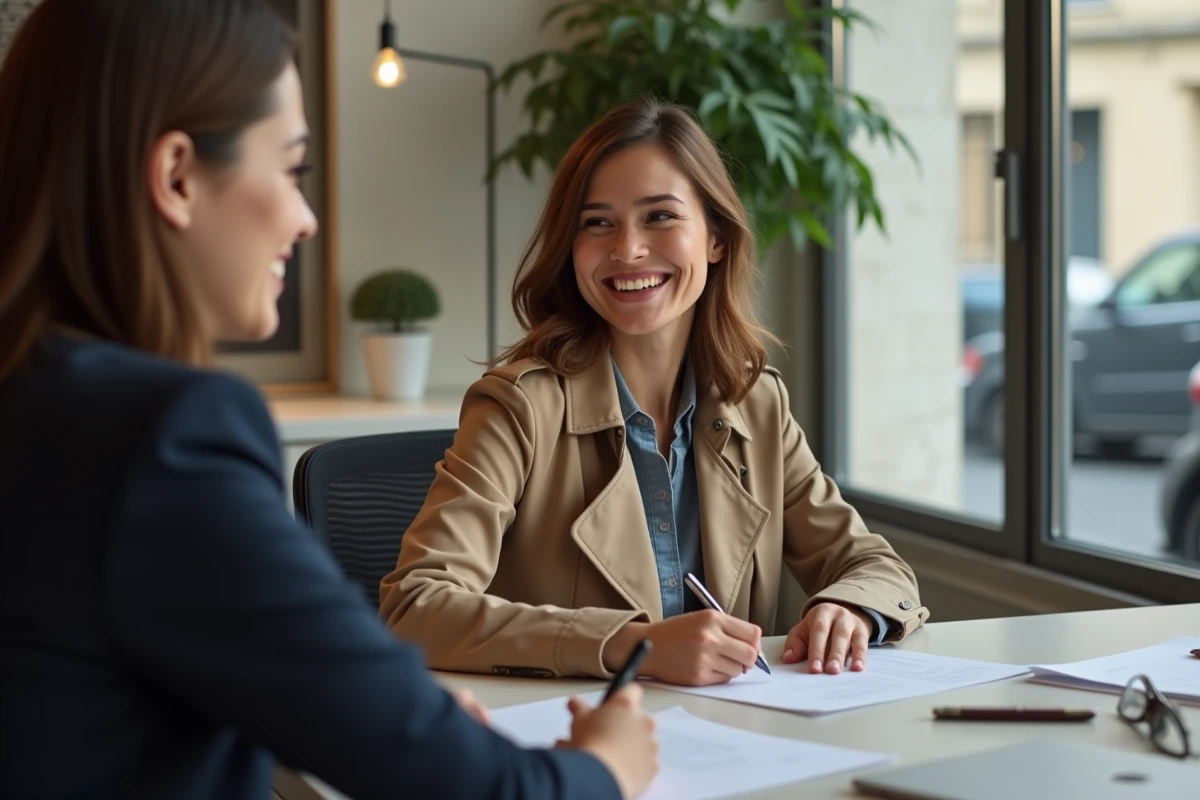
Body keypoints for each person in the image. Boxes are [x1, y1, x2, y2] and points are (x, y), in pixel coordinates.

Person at [0, 2, 658, 798]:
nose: (306, 219)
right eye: (291, 169)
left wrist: (400, 720)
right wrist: (604, 768)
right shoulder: (163, 438)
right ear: (176, 176)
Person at [381, 98, 929, 686]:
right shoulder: (519, 407)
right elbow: (416, 606)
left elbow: (872, 565)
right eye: (597, 223)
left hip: (735, 741)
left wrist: (848, 608)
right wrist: (630, 645)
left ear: (716, 238)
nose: (627, 250)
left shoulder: (757, 404)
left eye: (660, 217)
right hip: (573, 744)